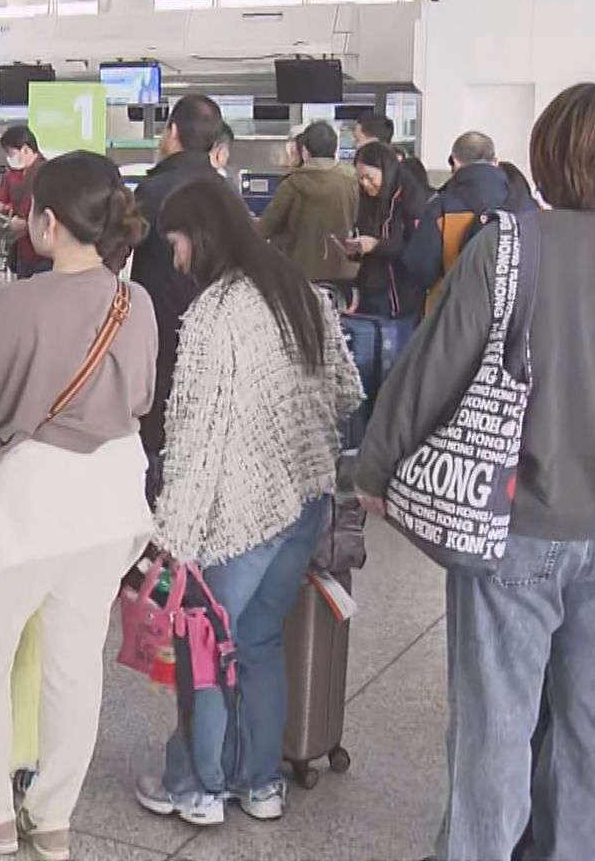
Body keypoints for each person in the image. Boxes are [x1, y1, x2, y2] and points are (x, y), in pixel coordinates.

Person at [357, 83, 595, 861]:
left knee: (496, 729)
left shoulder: (511, 246)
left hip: (515, 526)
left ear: (548, 157)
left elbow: (433, 368)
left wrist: (377, 466)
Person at [0, 152, 157, 861]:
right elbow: (141, 397)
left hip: (31, 502)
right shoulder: (133, 302)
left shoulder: (17, 302)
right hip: (112, 498)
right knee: (75, 665)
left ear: (46, 222)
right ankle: (51, 821)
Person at [136, 177, 362, 829]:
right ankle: (258, 782)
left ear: (200, 235)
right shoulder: (302, 293)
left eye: (176, 241)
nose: (175, 256)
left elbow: (195, 435)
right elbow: (346, 393)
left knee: (205, 646)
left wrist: (171, 536)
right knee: (259, 641)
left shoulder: (215, 314)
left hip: (238, 511)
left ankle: (197, 787)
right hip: (305, 501)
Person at [127, 94, 225, 501]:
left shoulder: (149, 191)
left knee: (156, 430)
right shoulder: (226, 194)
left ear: (172, 133)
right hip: (213, 337)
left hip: (157, 333)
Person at [402, 129, 535, 312]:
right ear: (496, 162)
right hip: (512, 319)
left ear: (454, 162)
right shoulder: (527, 206)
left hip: (454, 317)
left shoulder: (442, 207)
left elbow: (419, 268)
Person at [256, 121, 359, 296]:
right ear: (335, 150)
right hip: (344, 272)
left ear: (305, 151)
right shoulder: (352, 181)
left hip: (301, 273)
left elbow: (266, 227)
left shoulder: (293, 184)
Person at [343, 141, 429, 320]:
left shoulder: (412, 197)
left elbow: (416, 248)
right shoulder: (368, 199)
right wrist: (356, 248)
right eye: (360, 178)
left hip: (400, 294)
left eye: (369, 177)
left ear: (385, 170)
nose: (365, 184)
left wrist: (376, 245)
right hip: (370, 287)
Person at [0, 125, 48, 277]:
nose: (9, 158)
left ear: (25, 149)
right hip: (22, 253)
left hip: (44, 254)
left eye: (11, 153)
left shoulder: (47, 172)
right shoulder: (12, 176)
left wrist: (22, 225)